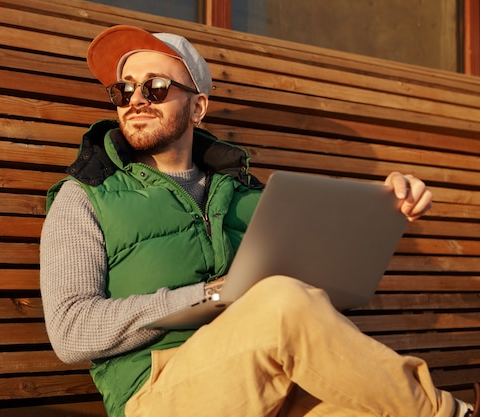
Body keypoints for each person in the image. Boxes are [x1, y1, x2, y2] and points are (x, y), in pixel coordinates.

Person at [40, 25, 478, 417]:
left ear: (198, 108)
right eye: (123, 90)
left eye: (155, 87)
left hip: (274, 380)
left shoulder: (252, 200)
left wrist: (389, 202)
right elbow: (72, 332)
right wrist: (211, 294)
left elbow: (317, 306)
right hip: (156, 391)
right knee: (280, 300)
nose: (135, 100)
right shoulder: (85, 197)